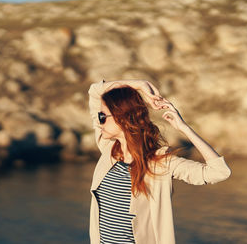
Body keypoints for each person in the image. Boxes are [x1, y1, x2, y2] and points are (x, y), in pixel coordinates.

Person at [88, 79, 232, 244]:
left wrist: (184, 128)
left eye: (102, 116)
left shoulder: (160, 163)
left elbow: (219, 172)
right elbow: (95, 91)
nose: (99, 122)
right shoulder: (109, 151)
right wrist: (139, 85)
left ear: (123, 118)